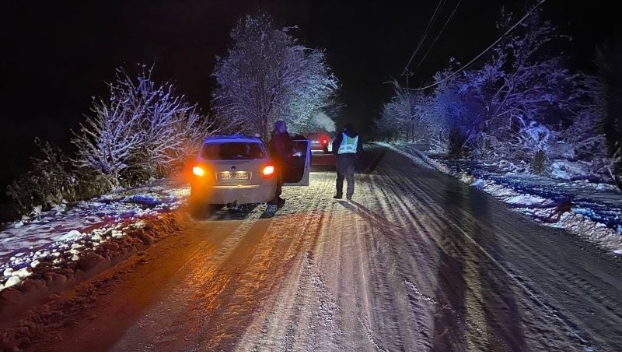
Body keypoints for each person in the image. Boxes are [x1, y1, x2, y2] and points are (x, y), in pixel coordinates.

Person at [332, 123, 363, 200]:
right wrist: (357, 155)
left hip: (342, 158)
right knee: (350, 177)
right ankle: (349, 196)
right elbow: (359, 148)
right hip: (352, 158)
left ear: (345, 128)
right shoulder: (357, 136)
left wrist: (335, 153)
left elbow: (335, 144)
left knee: (340, 177)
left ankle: (339, 194)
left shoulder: (342, 134)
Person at [268, 120, 294, 209]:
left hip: (280, 163)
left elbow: (288, 145)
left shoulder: (282, 136)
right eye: (283, 126)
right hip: (276, 163)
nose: (285, 127)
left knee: (279, 183)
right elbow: (279, 151)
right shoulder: (277, 138)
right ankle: (273, 203)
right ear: (279, 128)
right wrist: (287, 154)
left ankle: (277, 201)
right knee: (276, 183)